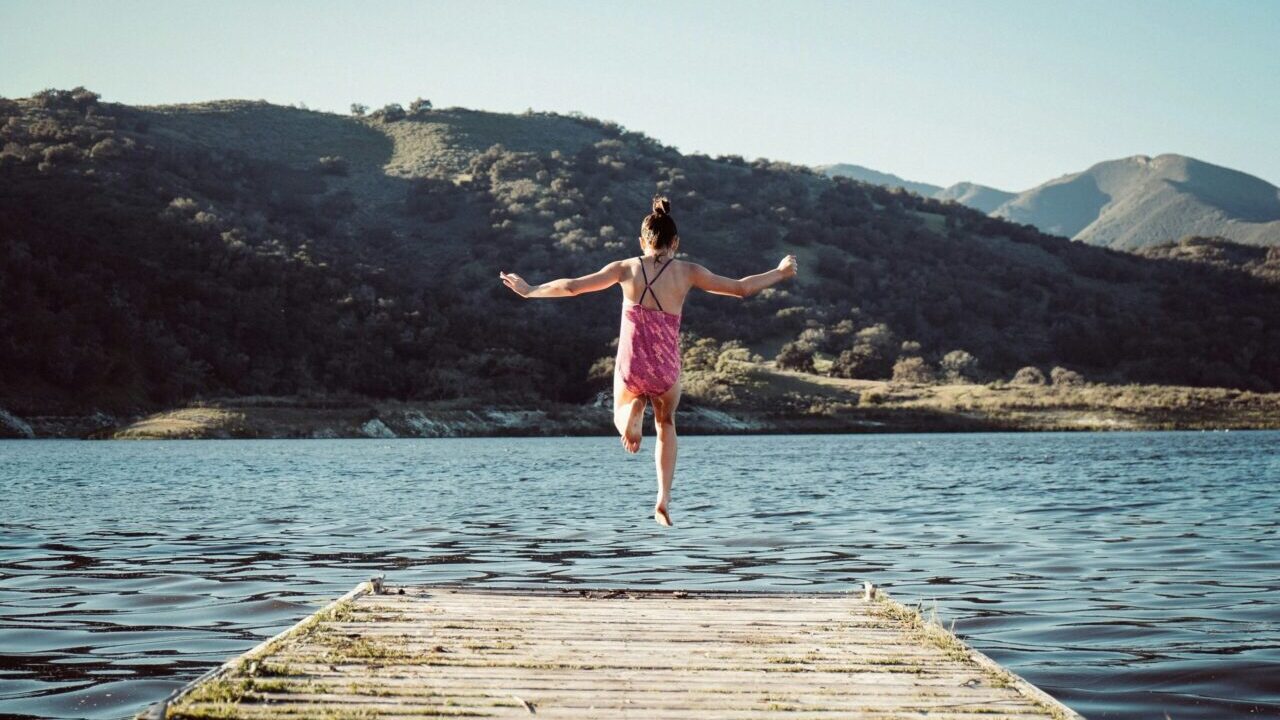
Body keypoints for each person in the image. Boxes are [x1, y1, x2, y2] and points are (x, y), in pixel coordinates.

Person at [499, 195, 798, 526]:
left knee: (619, 414)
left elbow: (571, 288)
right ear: (676, 243)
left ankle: (632, 410)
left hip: (632, 364)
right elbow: (741, 288)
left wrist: (530, 289)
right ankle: (663, 498)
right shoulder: (688, 272)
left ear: (641, 241)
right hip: (666, 369)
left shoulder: (625, 268)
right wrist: (780, 272)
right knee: (666, 423)